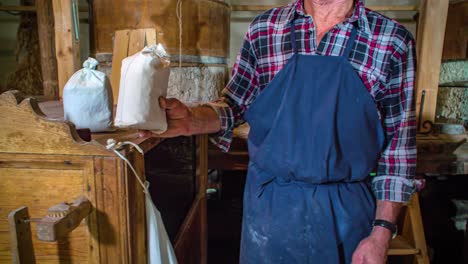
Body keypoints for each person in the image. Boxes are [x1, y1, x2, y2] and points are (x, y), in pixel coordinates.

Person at [141, 0, 417, 263]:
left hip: (345, 213)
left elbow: (398, 151)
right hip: (271, 210)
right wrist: (193, 120)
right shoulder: (266, 29)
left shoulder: (391, 40)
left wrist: (381, 233)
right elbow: (235, 104)